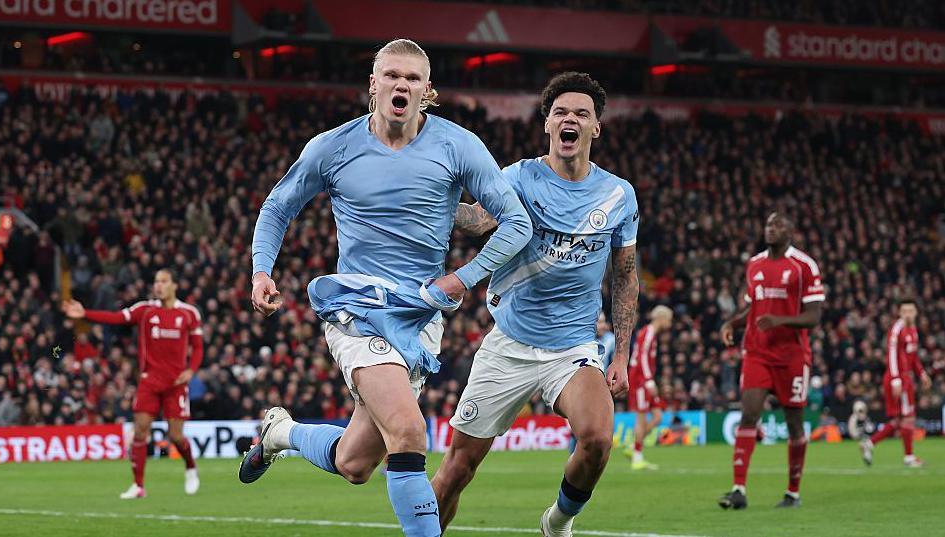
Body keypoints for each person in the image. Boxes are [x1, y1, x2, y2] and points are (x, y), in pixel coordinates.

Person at [238, 39, 532, 537]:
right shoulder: (332, 147)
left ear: (428, 91)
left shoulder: (457, 146)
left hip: (420, 314)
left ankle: (280, 433)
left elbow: (516, 223)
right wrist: (261, 270)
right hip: (356, 307)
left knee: (355, 463)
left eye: (413, 78)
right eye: (391, 75)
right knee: (410, 431)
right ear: (373, 85)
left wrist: (461, 278)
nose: (402, 84)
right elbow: (278, 206)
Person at [430, 72, 640, 537]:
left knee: (598, 440)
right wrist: (434, 196)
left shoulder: (619, 195)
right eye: (561, 112)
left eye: (581, 114)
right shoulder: (518, 177)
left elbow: (624, 276)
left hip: (573, 347)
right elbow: (478, 220)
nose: (571, 119)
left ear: (595, 127)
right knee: (455, 471)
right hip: (509, 343)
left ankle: (558, 522)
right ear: (547, 123)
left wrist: (622, 352)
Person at [62, 268, 203, 499]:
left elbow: (197, 347)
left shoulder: (189, 314)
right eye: (156, 281)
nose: (158, 285)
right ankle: (138, 486)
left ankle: (190, 467)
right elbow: (117, 318)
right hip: (149, 382)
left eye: (164, 281)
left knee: (176, 436)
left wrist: (191, 370)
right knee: (140, 432)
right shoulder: (144, 310)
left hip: (176, 384)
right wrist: (85, 313)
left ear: (174, 285)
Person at [717, 212, 824, 510]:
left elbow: (814, 316)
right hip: (756, 353)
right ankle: (738, 489)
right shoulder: (754, 265)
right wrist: (732, 324)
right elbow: (752, 309)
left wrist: (780, 320)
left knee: (794, 424)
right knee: (749, 414)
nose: (771, 229)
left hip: (792, 357)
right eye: (768, 225)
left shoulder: (804, 266)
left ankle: (792, 492)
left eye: (777, 225)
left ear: (790, 231)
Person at [859, 299, 931, 467]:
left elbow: (913, 358)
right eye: (904, 311)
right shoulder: (897, 329)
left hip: (905, 378)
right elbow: (891, 354)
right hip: (898, 379)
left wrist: (922, 374)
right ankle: (909, 457)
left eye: (910, 310)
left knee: (898, 421)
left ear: (916, 313)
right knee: (908, 418)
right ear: (899, 313)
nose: (907, 314)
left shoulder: (913, 330)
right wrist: (896, 379)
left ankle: (869, 444)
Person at [627, 305, 673, 470]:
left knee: (658, 416)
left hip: (645, 379)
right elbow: (643, 358)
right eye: (669, 319)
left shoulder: (651, 333)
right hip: (640, 380)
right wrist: (648, 381)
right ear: (661, 318)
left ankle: (634, 447)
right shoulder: (648, 332)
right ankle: (637, 458)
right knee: (641, 417)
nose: (670, 323)